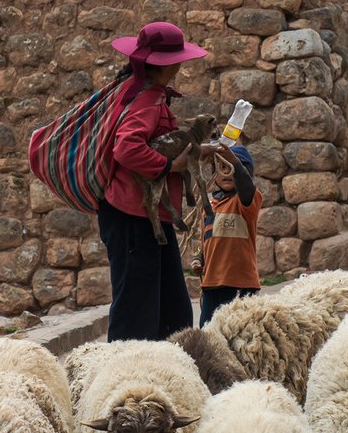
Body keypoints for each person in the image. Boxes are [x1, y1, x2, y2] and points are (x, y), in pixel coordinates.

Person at [98, 22, 209, 342]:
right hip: (132, 215)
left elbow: (154, 139)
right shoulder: (147, 99)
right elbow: (127, 148)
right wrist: (170, 165)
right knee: (137, 314)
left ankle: (168, 377)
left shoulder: (146, 93)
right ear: (171, 63)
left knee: (172, 312)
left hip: (146, 217)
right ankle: (122, 380)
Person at [191, 143, 262, 326]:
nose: (227, 172)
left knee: (244, 334)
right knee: (209, 334)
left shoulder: (247, 201)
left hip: (242, 285)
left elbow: (245, 186)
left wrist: (233, 161)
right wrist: (199, 258)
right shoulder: (209, 205)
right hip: (212, 285)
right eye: (221, 167)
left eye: (232, 168)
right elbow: (206, 241)